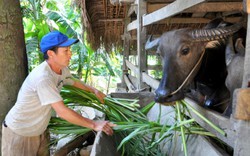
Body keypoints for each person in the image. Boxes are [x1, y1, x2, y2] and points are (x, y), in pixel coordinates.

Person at [1, 31, 115, 156]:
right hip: (21, 132)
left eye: (69, 49)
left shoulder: (62, 69)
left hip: (40, 130)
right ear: (50, 53)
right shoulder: (43, 78)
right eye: (65, 51)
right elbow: (62, 112)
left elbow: (74, 82)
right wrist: (94, 124)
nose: (70, 53)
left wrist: (95, 91)